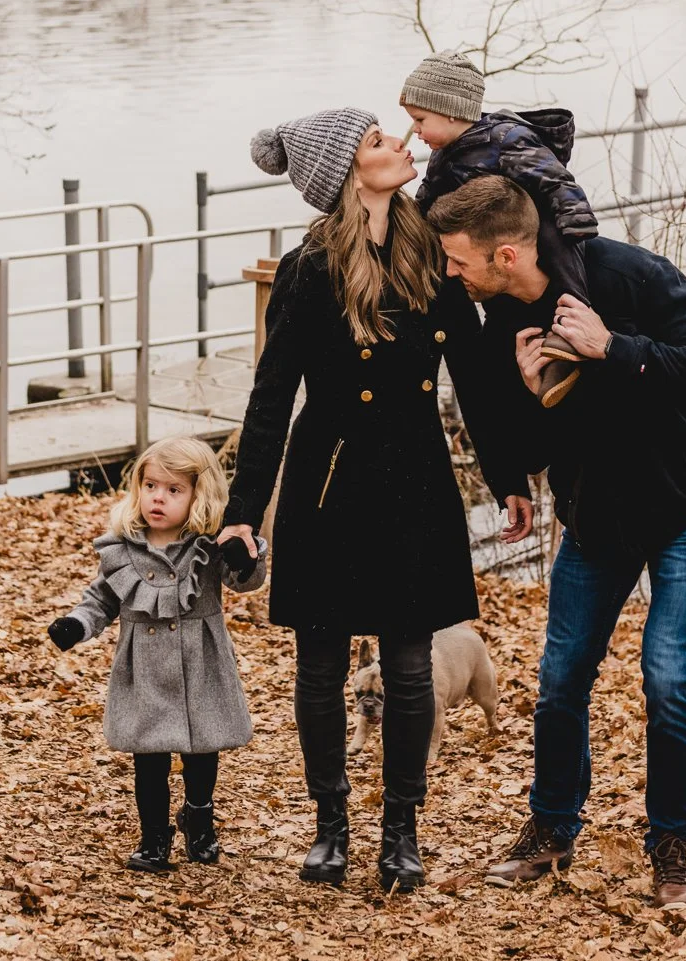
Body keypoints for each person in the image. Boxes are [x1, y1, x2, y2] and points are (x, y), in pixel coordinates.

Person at [217, 107, 529, 893]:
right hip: (327, 478)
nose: (403, 145)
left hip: (415, 477)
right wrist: (243, 508)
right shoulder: (308, 267)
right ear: (349, 171)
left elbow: (480, 377)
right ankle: (330, 828)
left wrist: (508, 476)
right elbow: (270, 394)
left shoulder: (434, 255)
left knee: (409, 663)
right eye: (380, 142)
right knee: (319, 663)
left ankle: (401, 831)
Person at [427, 175, 686, 910]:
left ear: (505, 253)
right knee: (561, 679)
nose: (449, 274)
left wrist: (613, 348)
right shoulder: (500, 318)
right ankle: (551, 829)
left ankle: (671, 847)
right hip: (596, 515)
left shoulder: (627, 274)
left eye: (456, 260)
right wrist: (530, 393)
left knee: (667, 683)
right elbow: (531, 447)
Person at [47, 436, 267, 873]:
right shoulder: (123, 548)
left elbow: (244, 582)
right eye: (150, 486)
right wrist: (77, 625)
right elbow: (102, 599)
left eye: (173, 490)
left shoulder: (207, 543)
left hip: (201, 661)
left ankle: (199, 820)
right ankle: (153, 838)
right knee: (149, 756)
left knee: (203, 750)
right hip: (144, 666)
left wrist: (246, 557)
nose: (158, 498)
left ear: (197, 496)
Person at [399, 50, 598, 407]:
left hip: (534, 225)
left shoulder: (505, 139)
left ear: (449, 110)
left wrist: (574, 218)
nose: (415, 130)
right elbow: (428, 199)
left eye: (419, 119)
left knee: (560, 250)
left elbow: (555, 180)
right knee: (499, 301)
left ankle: (571, 328)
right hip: (489, 246)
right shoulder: (445, 154)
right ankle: (529, 365)